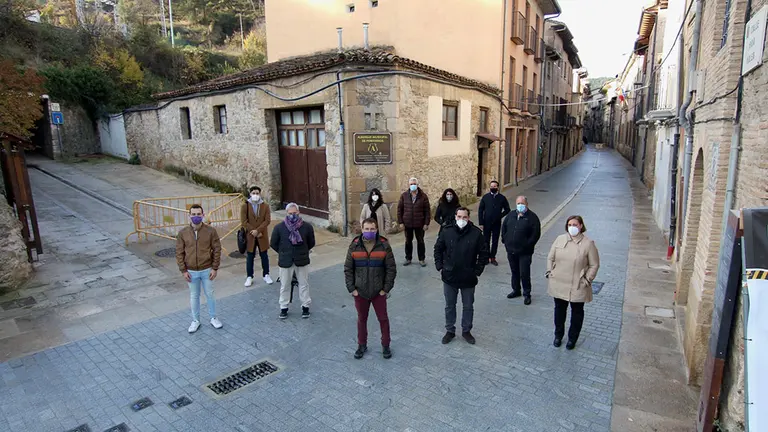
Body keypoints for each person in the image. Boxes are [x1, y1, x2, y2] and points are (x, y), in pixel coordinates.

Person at [434, 207, 489, 345]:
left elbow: (483, 253)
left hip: (468, 277)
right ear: (455, 217)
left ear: (468, 218)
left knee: (468, 306)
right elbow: (438, 248)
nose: (461, 220)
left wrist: (477, 270)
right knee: (450, 305)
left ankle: (466, 330)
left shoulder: (476, 233)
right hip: (450, 276)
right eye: (459, 217)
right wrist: (439, 265)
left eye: (464, 217)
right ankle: (450, 330)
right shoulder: (447, 231)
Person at [344, 218, 397, 360]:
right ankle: (362, 345)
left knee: (383, 319)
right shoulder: (354, 245)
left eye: (372, 229)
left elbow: (391, 269)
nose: (369, 231)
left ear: (376, 229)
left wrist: (385, 289)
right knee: (361, 319)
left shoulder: (384, 245)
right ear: (362, 229)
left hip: (378, 292)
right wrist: (352, 289)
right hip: (360, 292)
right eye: (366, 229)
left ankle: (385, 345)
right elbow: (348, 268)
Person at [546, 215, 600, 350]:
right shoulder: (560, 239)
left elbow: (594, 264)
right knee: (559, 311)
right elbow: (550, 257)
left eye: (575, 225)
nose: (572, 227)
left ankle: (572, 338)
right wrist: (550, 272)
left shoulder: (588, 244)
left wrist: (587, 279)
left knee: (577, 312)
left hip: (578, 285)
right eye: (569, 225)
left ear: (581, 226)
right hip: (559, 282)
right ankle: (558, 335)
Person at [175, 204, 223, 333]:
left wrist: (215, 268)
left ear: (203, 215)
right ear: (189, 215)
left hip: (207, 269)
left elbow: (217, 249)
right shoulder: (183, 233)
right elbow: (179, 252)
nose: (196, 217)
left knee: (210, 294)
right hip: (191, 271)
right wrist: (183, 270)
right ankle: (195, 320)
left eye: (198, 214)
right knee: (194, 296)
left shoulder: (210, 231)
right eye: (193, 214)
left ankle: (213, 317)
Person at [270, 203, 316, 319]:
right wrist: (283, 252)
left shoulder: (307, 227)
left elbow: (311, 242)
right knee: (285, 285)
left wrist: (303, 251)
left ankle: (305, 306)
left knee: (304, 284)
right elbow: (273, 243)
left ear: (298, 212)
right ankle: (283, 307)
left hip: (301, 260)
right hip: (286, 261)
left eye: (294, 213)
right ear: (286, 213)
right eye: (290, 213)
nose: (292, 215)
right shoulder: (279, 228)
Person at [502, 195, 541, 305]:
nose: (520, 205)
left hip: (525, 252)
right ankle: (516, 290)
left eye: (522, 203)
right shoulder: (511, 215)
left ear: (526, 204)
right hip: (511, 250)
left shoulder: (532, 217)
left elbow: (535, 234)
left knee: (524, 273)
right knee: (514, 271)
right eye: (518, 203)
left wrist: (527, 245)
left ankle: (527, 294)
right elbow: (504, 227)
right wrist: (505, 240)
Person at [241, 186, 273, 287]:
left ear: (260, 194)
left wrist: (258, 231)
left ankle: (266, 274)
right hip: (250, 235)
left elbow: (267, 220)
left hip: (262, 234)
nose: (255, 195)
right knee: (250, 256)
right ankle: (249, 276)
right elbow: (244, 221)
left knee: (264, 255)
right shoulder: (245, 206)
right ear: (250, 194)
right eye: (253, 193)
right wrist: (253, 231)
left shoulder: (265, 206)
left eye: (257, 193)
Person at [397, 177, 431, 267]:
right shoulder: (404, 196)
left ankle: (421, 259)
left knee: (420, 241)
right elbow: (400, 209)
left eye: (414, 184)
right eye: (411, 184)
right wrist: (401, 222)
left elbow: (427, 211)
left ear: (417, 185)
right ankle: (408, 258)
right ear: (409, 185)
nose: (413, 185)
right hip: (407, 223)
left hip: (419, 223)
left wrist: (426, 223)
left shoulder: (423, 196)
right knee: (408, 241)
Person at [478, 180, 510, 266]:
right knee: (486, 240)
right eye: (491, 186)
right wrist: (481, 222)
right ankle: (486, 257)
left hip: (496, 223)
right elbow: (480, 210)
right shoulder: (485, 197)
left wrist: (500, 216)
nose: (493, 188)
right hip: (486, 222)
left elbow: (507, 209)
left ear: (497, 187)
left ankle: (493, 257)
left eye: (494, 186)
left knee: (495, 241)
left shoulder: (502, 198)